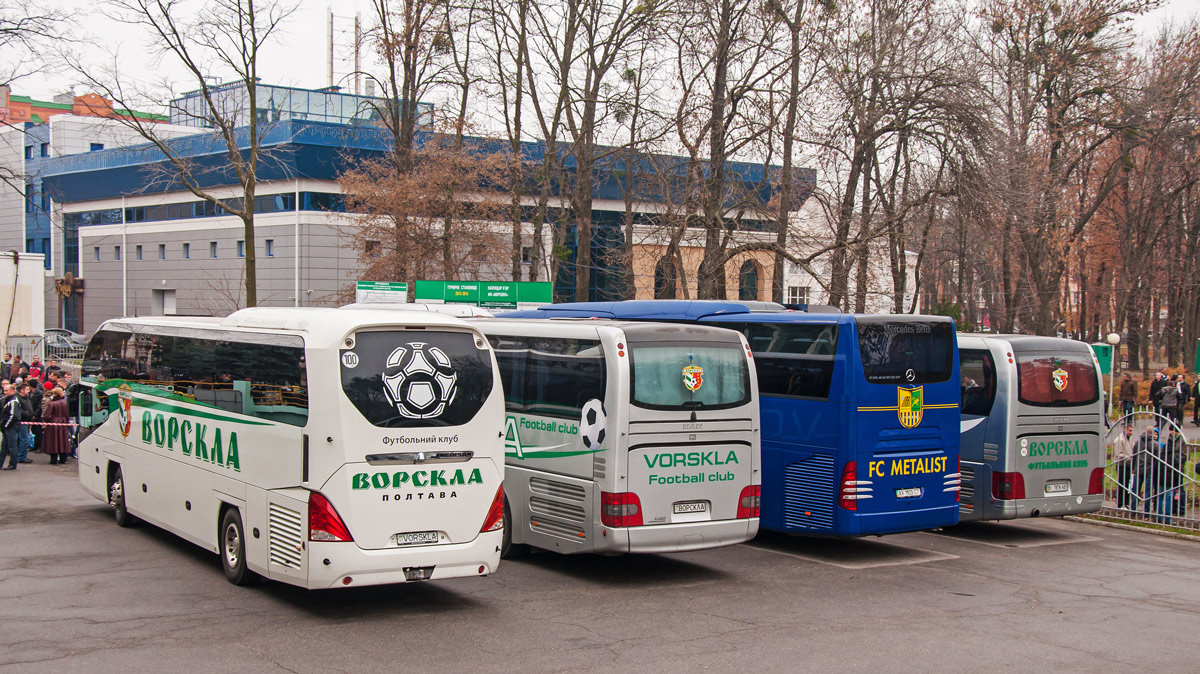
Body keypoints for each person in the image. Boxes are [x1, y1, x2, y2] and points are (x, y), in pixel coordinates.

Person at [1110, 424, 1136, 510]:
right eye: (1130, 430)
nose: (1131, 433)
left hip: (1129, 465)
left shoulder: (1130, 439)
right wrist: (1130, 457)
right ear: (1124, 429)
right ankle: (1121, 504)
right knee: (1122, 484)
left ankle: (1126, 502)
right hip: (1121, 465)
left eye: (1132, 430)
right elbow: (1118, 455)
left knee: (1128, 485)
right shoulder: (1119, 440)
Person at [42, 387, 70, 465]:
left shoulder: (52, 403)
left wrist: (47, 420)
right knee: (63, 441)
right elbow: (68, 415)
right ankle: (63, 459)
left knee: (53, 442)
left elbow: (47, 416)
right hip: (63, 423)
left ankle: (53, 459)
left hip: (53, 424)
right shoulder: (65, 402)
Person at [0, 383, 22, 469]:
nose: (5, 392)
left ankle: (13, 464)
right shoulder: (5, 399)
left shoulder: (13, 401)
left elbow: (14, 416)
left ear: (13, 391)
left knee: (12, 446)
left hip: (11, 427)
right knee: (4, 447)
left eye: (7, 390)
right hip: (6, 426)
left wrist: (6, 425)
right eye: (4, 390)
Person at [15, 383, 33, 463]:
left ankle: (21, 455)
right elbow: (19, 410)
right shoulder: (18, 398)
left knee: (24, 438)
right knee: (24, 439)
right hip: (22, 421)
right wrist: (27, 414)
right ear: (21, 390)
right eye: (27, 389)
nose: (28, 391)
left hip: (27, 420)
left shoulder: (26, 398)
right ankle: (21, 456)